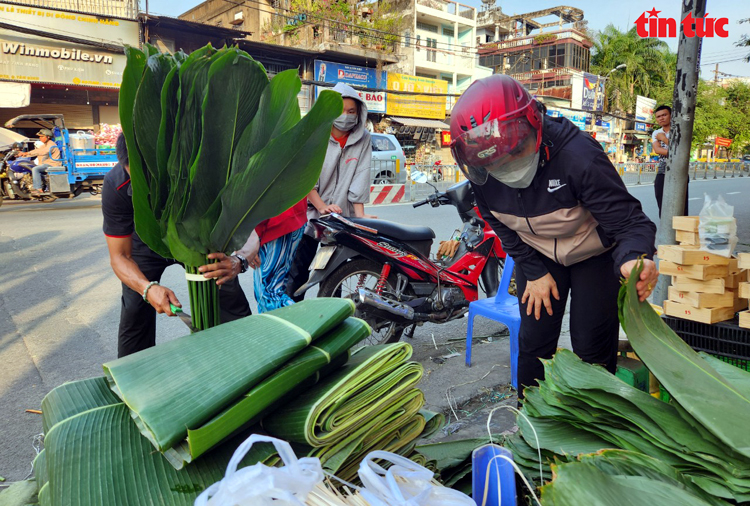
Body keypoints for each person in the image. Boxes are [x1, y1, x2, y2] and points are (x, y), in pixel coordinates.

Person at [449, 75, 658, 395]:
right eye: (495, 163)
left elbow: (632, 224)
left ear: (534, 123)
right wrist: (533, 271)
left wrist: (633, 258)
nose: (506, 167)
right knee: (533, 342)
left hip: (593, 254)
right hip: (537, 257)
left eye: (515, 152)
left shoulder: (579, 157)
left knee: (592, 349)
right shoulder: (482, 170)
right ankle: (531, 424)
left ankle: (594, 431)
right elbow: (497, 221)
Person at [102, 133, 254, 358]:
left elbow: (249, 229)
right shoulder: (116, 184)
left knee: (227, 290)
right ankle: (134, 380)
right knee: (136, 308)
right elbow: (120, 257)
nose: (146, 189)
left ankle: (251, 364)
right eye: (138, 181)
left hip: (197, 238)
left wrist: (238, 261)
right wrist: (147, 288)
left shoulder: (204, 172)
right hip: (145, 243)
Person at [287, 82, 376, 301]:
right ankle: (289, 317)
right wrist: (321, 207)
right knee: (298, 272)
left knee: (336, 275)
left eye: (351, 111)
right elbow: (306, 177)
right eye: (340, 110)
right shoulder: (314, 134)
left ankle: (330, 322)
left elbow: (361, 175)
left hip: (341, 218)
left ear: (359, 113)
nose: (345, 116)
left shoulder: (363, 138)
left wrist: (360, 215)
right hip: (310, 216)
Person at [251, 198, 308, 312]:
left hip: (274, 222)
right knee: (274, 291)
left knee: (268, 295)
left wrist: (253, 235)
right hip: (291, 214)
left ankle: (306, 324)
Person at [652, 105, 688, 217]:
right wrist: (674, 153)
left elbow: (681, 150)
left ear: (671, 115)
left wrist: (663, 139)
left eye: (664, 115)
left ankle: (681, 229)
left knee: (681, 203)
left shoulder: (679, 130)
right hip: (663, 170)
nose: (661, 118)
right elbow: (657, 150)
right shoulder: (656, 133)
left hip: (679, 170)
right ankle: (665, 228)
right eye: (658, 116)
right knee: (660, 199)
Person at [17, 129, 61, 196]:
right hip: (46, 164)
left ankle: (38, 188)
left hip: (52, 164)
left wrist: (27, 153)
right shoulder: (44, 145)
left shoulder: (51, 144)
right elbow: (37, 151)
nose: (40, 138)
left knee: (35, 169)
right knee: (31, 167)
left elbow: (43, 152)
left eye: (42, 136)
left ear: (48, 137)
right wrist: (24, 154)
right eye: (39, 136)